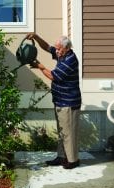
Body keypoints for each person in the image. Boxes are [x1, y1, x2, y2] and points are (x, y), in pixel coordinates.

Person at [26, 33, 82, 169]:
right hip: (60, 100)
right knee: (62, 131)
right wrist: (37, 37)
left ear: (67, 48)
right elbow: (47, 47)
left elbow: (53, 76)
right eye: (56, 49)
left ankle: (73, 160)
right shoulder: (62, 54)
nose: (56, 51)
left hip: (68, 103)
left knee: (69, 133)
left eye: (59, 49)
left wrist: (40, 66)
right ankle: (62, 157)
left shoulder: (70, 60)